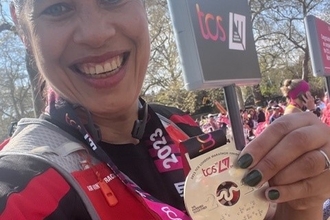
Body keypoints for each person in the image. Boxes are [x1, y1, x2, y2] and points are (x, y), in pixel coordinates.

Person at [1, 1, 330, 219]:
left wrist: (300, 204)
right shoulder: (20, 187)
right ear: (23, 29)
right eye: (57, 7)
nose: (96, 34)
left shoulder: (180, 124)